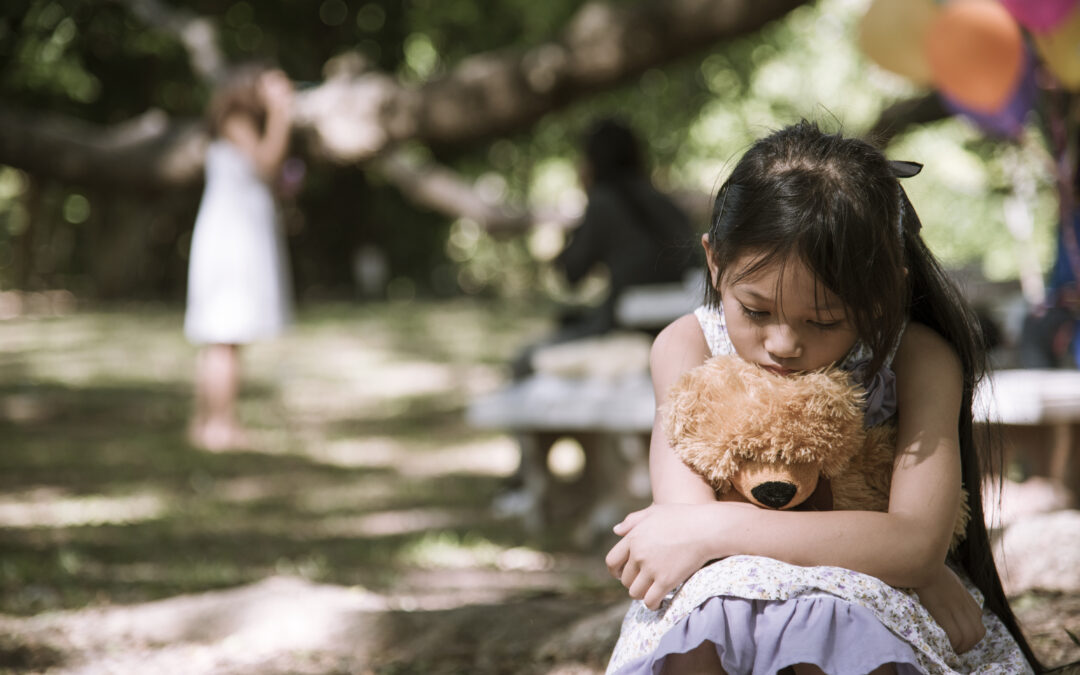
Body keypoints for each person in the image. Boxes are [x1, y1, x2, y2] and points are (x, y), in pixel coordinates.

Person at [604, 121, 1044, 674]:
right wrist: (892, 554)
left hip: (868, 603)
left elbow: (914, 542)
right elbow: (683, 525)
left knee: (830, 619)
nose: (783, 344)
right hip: (723, 602)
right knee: (709, 618)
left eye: (824, 320)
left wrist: (715, 528)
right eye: (756, 310)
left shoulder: (917, 358)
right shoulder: (688, 345)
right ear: (715, 264)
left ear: (883, 293)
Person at [510, 117, 696, 378]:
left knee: (524, 361)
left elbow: (571, 273)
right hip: (678, 324)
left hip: (625, 325)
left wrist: (576, 222)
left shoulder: (603, 203)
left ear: (591, 161)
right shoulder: (663, 202)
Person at [184, 64, 295, 451]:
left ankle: (207, 423)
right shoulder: (235, 120)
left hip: (234, 235)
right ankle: (220, 426)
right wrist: (281, 114)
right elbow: (266, 164)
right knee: (225, 335)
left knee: (222, 338)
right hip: (233, 241)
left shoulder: (234, 125)